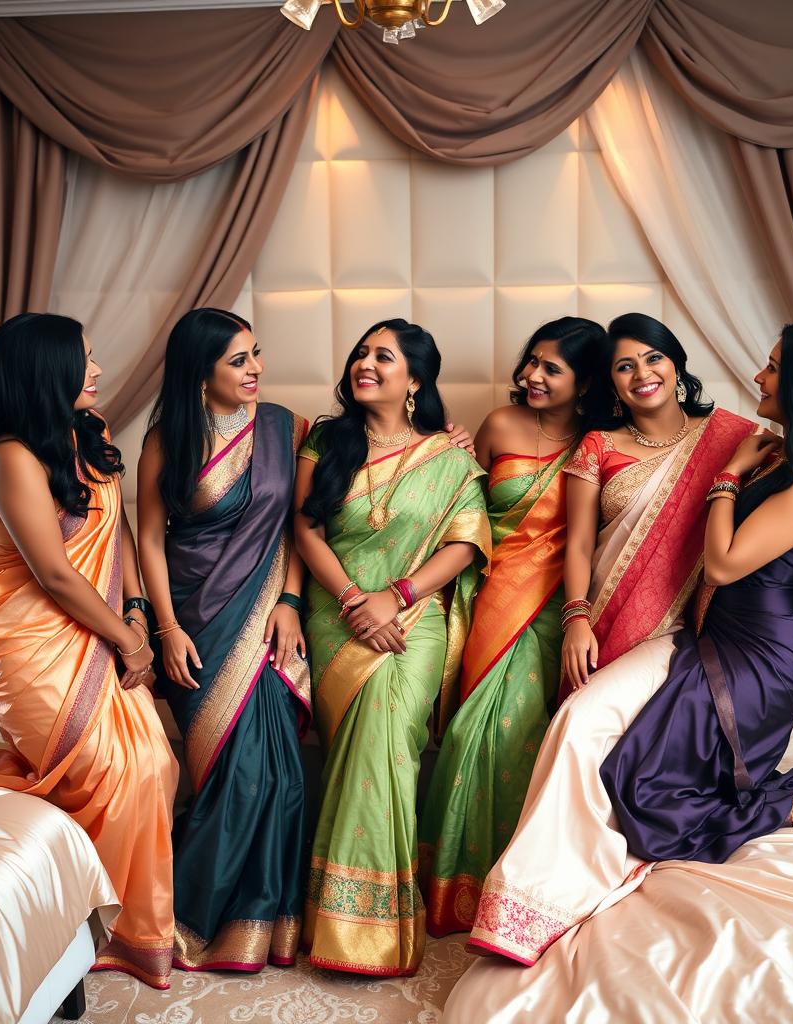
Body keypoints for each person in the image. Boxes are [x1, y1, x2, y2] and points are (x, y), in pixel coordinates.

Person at [0, 313, 178, 989]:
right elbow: (53, 573)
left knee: (155, 762)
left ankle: (125, 918)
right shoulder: (10, 458)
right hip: (29, 636)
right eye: (85, 359)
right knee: (109, 765)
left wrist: (135, 612)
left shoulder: (93, 434)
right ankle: (106, 921)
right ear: (46, 372)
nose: (99, 370)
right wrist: (126, 639)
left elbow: (120, 530)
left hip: (100, 618)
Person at [465, 312, 753, 964]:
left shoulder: (735, 436)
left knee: (598, 726)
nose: (643, 374)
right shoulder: (598, 445)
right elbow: (581, 543)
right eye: (625, 366)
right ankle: (539, 896)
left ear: (676, 364)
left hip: (694, 629)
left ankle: (565, 884)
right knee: (576, 720)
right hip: (609, 624)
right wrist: (575, 618)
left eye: (653, 359)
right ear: (612, 383)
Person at [602, 321, 793, 860]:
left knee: (653, 799)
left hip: (764, 652)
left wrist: (728, 475)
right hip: (734, 636)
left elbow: (723, 565)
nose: (759, 376)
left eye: (774, 368)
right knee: (640, 769)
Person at [294, 319, 491, 977]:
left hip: (414, 619)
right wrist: (356, 601)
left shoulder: (449, 455)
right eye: (360, 352)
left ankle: (368, 927)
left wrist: (398, 595)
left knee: (389, 731)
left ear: (416, 380)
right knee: (364, 727)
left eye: (383, 356)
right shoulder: (327, 441)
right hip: (336, 614)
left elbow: (465, 544)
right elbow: (306, 530)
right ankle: (348, 923)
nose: (365, 363)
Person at [136, 308, 312, 972]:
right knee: (227, 775)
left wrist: (292, 599)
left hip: (268, 611)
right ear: (199, 370)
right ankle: (191, 918)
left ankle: (265, 922)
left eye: (256, 355)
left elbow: (297, 529)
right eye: (238, 360)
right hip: (195, 618)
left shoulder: (283, 428)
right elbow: (149, 539)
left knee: (276, 771)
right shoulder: (166, 440)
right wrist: (168, 627)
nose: (256, 370)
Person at [418, 316, 603, 937]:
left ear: (586, 382)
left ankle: (518, 889)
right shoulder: (499, 425)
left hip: (560, 606)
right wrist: (440, 454)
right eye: (532, 362)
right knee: (472, 733)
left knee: (520, 734)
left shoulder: (602, 441)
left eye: (552, 368)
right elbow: (460, 511)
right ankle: (453, 888)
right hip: (492, 597)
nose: (532, 376)